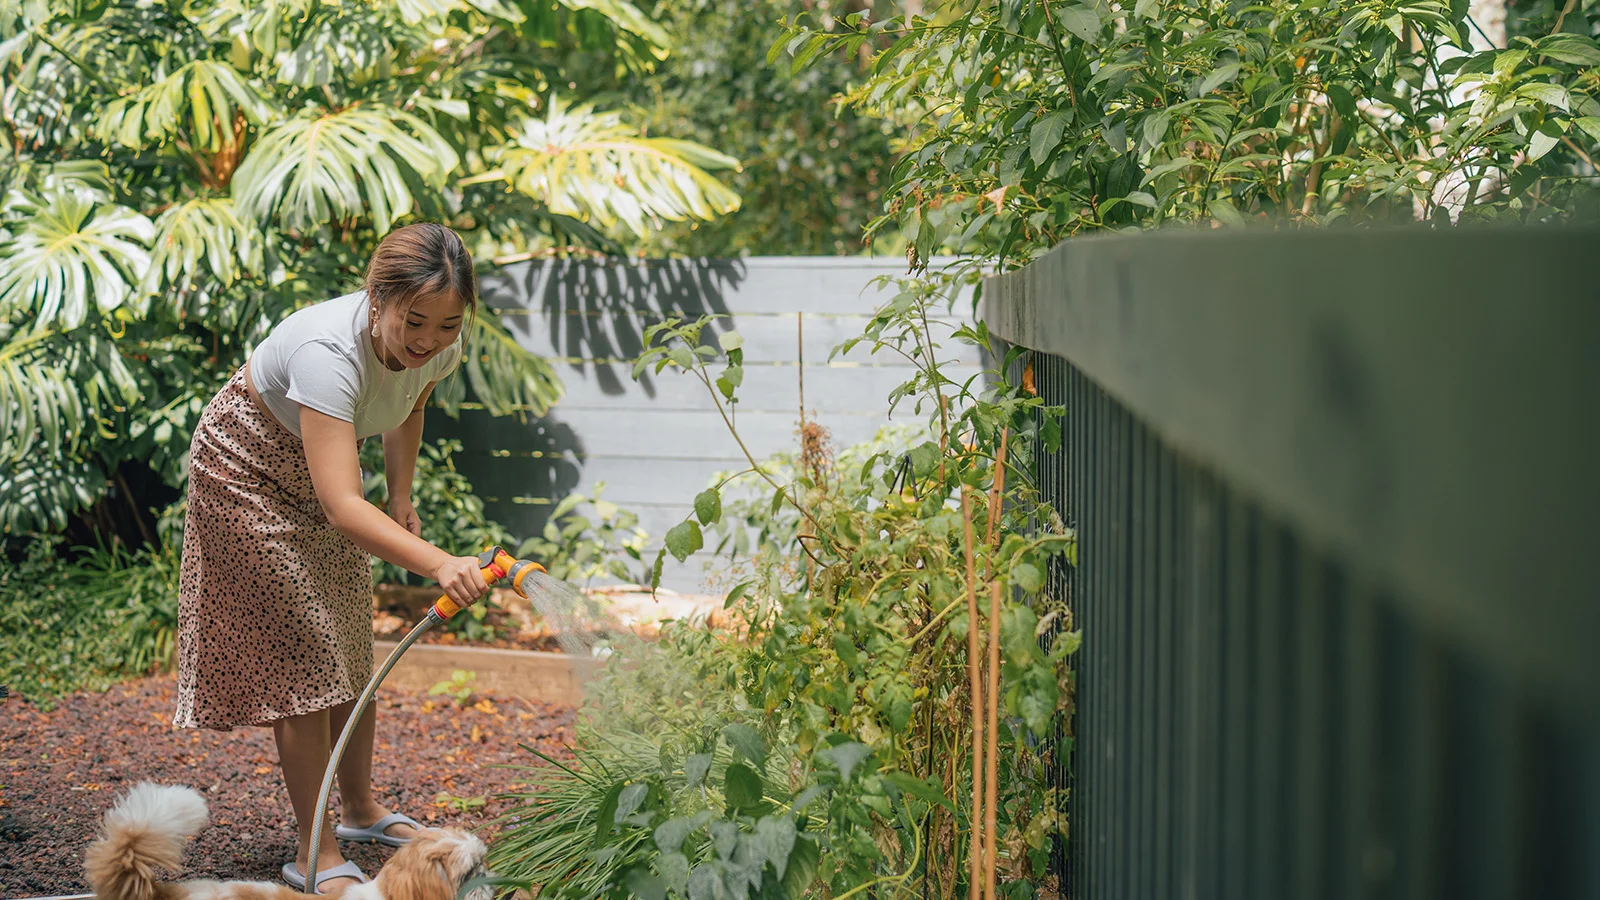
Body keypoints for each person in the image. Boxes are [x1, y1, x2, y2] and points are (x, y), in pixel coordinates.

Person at [173, 223, 494, 894]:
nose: (430, 339)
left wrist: (400, 491)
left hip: (325, 471)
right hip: (248, 473)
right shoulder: (328, 351)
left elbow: (409, 403)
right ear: (377, 299)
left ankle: (359, 812)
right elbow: (344, 506)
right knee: (307, 662)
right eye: (415, 320)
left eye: (447, 323)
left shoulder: (436, 345)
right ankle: (313, 852)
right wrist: (438, 561)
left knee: (349, 648)